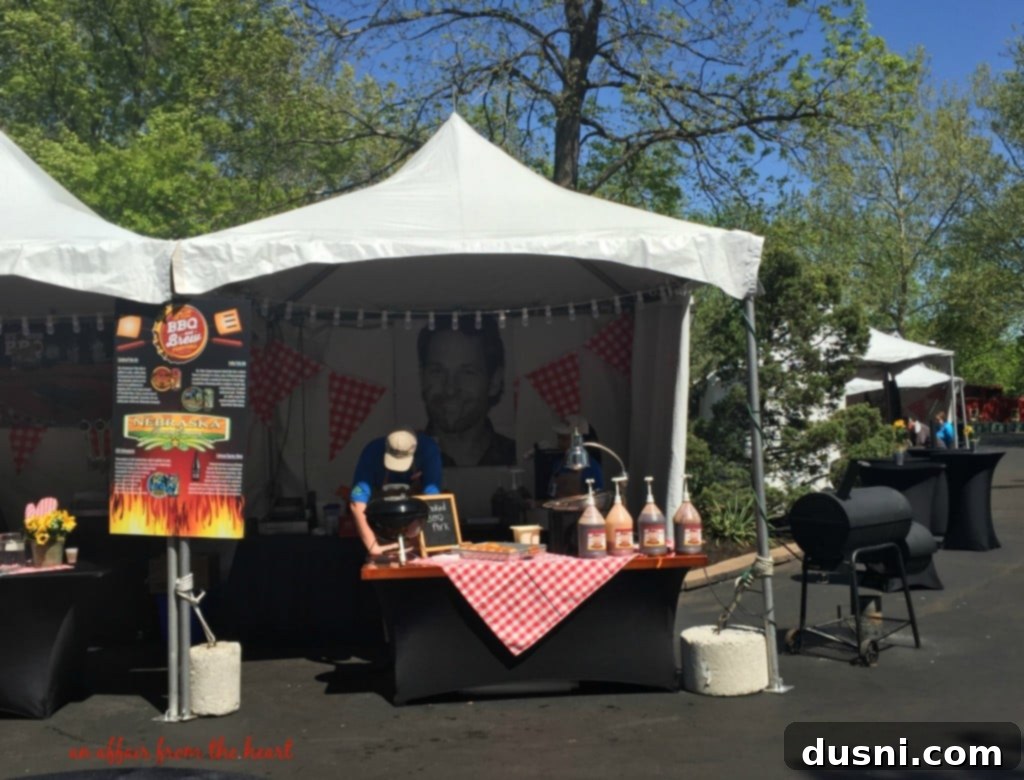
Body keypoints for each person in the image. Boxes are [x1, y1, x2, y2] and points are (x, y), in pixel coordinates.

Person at [418, 315, 516, 467]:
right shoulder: (394, 465)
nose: (450, 389)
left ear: (494, 382)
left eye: (467, 373)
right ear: (422, 377)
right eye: (437, 371)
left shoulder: (522, 460)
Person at [349, 428, 443, 556]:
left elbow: (432, 500)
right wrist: (373, 547)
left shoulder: (429, 450)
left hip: (416, 521)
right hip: (380, 525)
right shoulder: (371, 452)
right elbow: (357, 504)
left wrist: (418, 540)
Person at [545, 417, 605, 499]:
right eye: (559, 438)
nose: (560, 444)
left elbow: (599, 498)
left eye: (564, 439)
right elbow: (551, 496)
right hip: (558, 511)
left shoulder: (592, 467)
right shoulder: (558, 465)